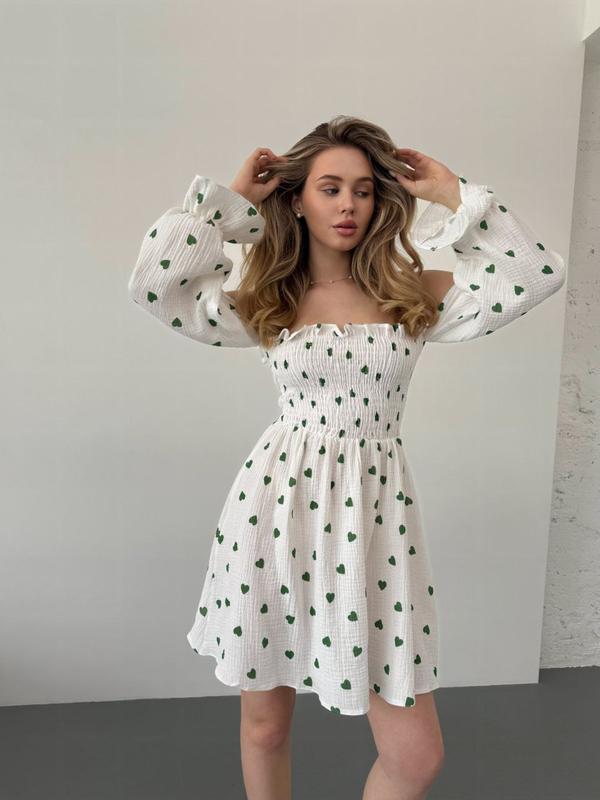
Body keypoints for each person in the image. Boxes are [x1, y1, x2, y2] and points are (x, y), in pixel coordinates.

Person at [127, 115, 566, 800]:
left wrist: (452, 193)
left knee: (415, 757)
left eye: (363, 190)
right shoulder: (269, 297)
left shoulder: (412, 292)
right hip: (274, 514)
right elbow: (157, 287)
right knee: (265, 728)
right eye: (329, 188)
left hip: (375, 525)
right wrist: (226, 205)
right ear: (298, 200)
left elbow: (534, 275)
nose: (348, 205)